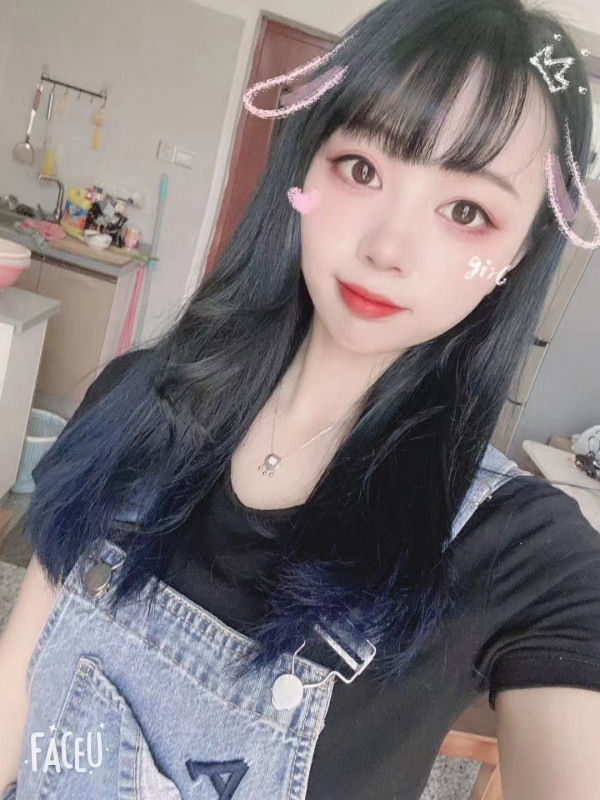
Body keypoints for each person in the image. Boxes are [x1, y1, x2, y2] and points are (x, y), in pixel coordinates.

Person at [1, 0, 600, 797]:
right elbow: (16, 683)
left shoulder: (523, 552)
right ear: (306, 166)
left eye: (467, 211)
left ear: (518, 255)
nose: (387, 247)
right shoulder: (136, 397)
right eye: (362, 168)